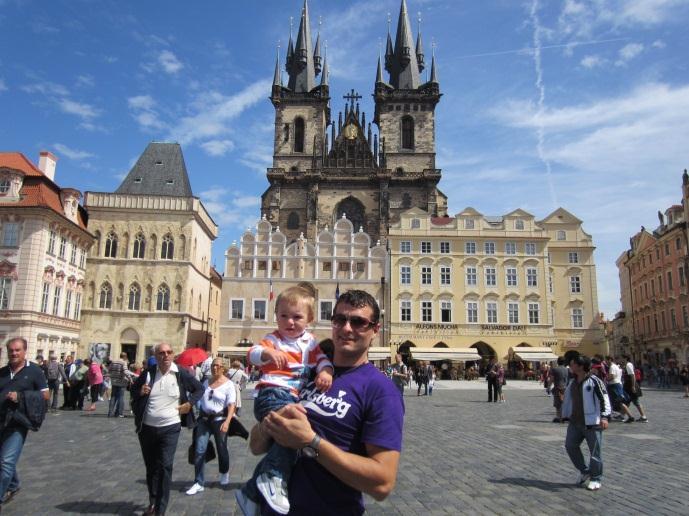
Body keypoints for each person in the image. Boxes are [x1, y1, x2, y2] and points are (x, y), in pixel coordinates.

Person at [237, 289, 404, 516]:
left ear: (375, 330)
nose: (347, 328)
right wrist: (270, 424)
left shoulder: (380, 391)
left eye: (358, 322)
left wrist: (311, 442)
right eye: (340, 319)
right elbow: (256, 447)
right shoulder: (306, 374)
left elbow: (382, 484)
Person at [238, 285, 334, 514]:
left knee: (286, 440)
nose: (289, 322)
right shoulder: (273, 339)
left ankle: (251, 491)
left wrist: (325, 372)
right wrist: (267, 353)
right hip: (272, 393)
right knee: (295, 428)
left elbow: (322, 361)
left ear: (310, 318)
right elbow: (251, 353)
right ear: (276, 317)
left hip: (289, 396)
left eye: (297, 317)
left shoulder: (311, 343)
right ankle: (271, 478)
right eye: (283, 316)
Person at [131, 343, 204, 516]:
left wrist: (190, 403)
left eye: (169, 352)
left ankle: (160, 509)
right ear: (155, 356)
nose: (165, 355)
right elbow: (133, 390)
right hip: (147, 427)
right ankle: (153, 501)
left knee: (165, 466)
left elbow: (199, 389)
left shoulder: (181, 373)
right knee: (151, 467)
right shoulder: (148, 373)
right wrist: (140, 391)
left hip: (170, 427)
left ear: (173, 355)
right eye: (161, 353)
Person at [0, 337, 49, 509]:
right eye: (11, 350)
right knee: (3, 460)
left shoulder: (35, 371)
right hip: (0, 420)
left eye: (17, 350)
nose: (14, 353)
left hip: (18, 422)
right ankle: (13, 485)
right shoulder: (3, 372)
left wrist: (20, 397)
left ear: (24, 351)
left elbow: (45, 396)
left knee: (6, 461)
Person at [186, 357, 237, 495]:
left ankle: (224, 472)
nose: (215, 368)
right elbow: (198, 396)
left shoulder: (229, 385)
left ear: (223, 368)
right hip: (204, 420)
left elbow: (232, 405)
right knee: (199, 449)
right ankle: (198, 482)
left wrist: (227, 421)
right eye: (213, 365)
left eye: (218, 366)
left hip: (220, 419)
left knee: (222, 448)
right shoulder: (205, 382)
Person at [562, 354, 611, 491]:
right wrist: (564, 414)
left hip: (592, 422)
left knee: (595, 452)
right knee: (570, 446)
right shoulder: (572, 382)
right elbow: (568, 400)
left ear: (581, 366)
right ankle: (584, 471)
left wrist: (605, 417)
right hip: (575, 421)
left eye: (572, 364)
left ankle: (596, 478)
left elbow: (604, 399)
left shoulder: (595, 381)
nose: (570, 367)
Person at [605, 356, 634, 423]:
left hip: (614, 385)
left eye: (606, 360)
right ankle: (622, 415)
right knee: (619, 402)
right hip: (618, 384)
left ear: (610, 360)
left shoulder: (612, 367)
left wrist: (606, 378)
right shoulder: (615, 366)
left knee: (619, 402)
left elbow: (612, 376)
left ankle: (630, 416)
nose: (606, 362)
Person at [622, 356, 648, 422]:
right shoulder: (627, 365)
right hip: (628, 386)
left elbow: (632, 376)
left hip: (630, 386)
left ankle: (643, 417)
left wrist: (633, 386)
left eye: (622, 358)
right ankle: (622, 415)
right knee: (627, 401)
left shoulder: (628, 365)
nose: (621, 360)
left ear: (625, 358)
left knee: (635, 402)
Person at [108, 352, 132, 418]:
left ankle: (110, 413)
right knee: (120, 397)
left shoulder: (113, 362)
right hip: (121, 382)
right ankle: (118, 413)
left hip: (114, 381)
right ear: (125, 357)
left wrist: (113, 375)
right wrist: (130, 379)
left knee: (113, 397)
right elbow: (126, 371)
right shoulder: (123, 363)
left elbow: (109, 370)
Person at [549, 357, 569, 422]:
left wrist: (548, 387)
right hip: (565, 388)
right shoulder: (567, 369)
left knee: (558, 404)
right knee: (564, 403)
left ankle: (559, 417)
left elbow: (551, 379)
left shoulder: (554, 369)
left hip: (558, 388)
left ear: (558, 362)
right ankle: (564, 416)